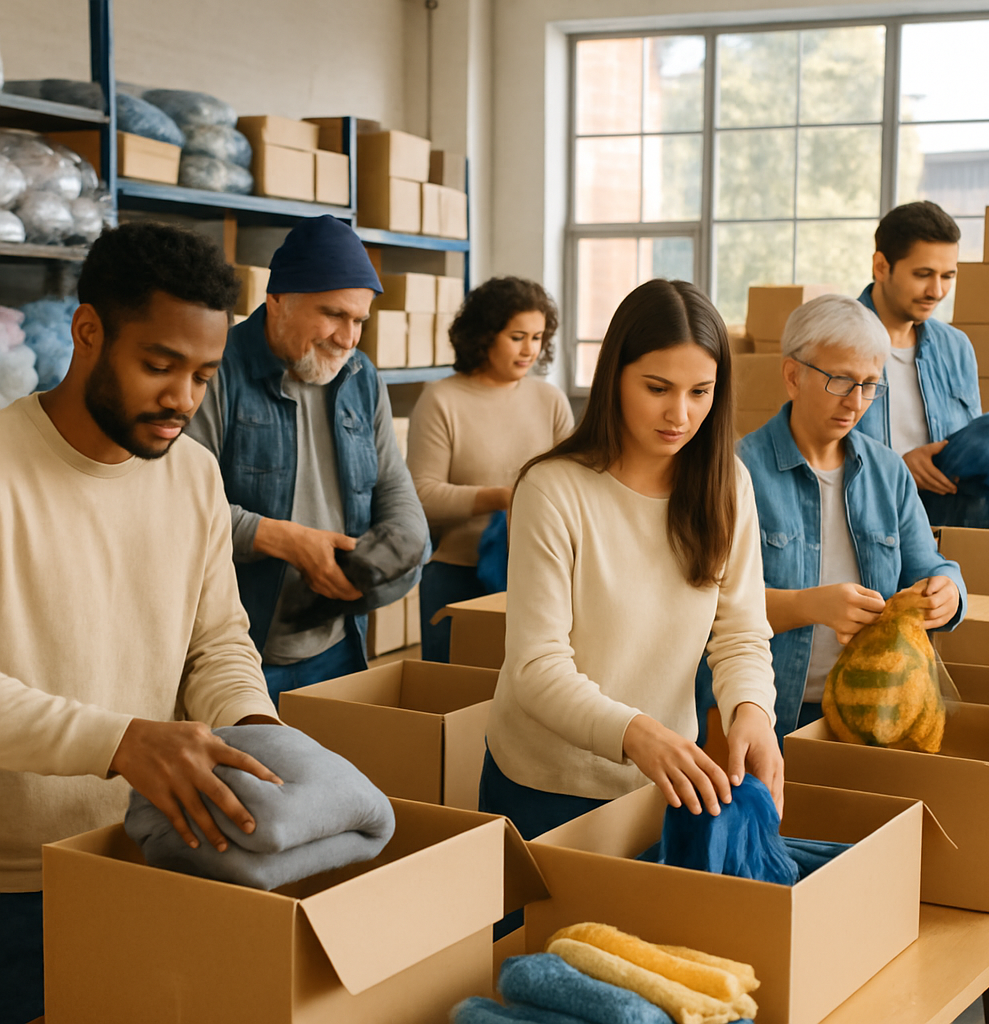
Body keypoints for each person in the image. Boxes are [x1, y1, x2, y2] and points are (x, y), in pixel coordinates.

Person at [0, 222, 284, 1024]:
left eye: (202, 374)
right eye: (159, 366)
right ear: (88, 332)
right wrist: (122, 740)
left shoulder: (191, 474)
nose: (182, 401)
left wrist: (254, 729)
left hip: (148, 853)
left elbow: (217, 639)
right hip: (15, 882)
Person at [481, 278, 782, 843]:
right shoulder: (552, 489)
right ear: (614, 375)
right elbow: (535, 666)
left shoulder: (728, 485)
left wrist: (753, 711)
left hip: (661, 781)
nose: (680, 414)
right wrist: (637, 733)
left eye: (701, 392)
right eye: (657, 387)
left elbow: (740, 631)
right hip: (544, 785)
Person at [187, 216, 430, 705]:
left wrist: (399, 543)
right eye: (334, 314)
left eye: (360, 320)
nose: (348, 338)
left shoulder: (361, 377)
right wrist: (285, 540)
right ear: (277, 300)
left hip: (338, 646)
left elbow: (396, 489)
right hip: (239, 654)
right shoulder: (216, 372)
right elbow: (184, 512)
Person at [738, 294, 966, 741]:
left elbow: (930, 565)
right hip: (770, 716)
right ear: (793, 375)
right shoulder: (739, 471)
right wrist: (809, 605)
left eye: (870, 384)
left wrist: (949, 591)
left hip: (876, 716)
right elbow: (709, 609)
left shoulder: (887, 471)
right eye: (841, 381)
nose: (857, 402)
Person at [407, 277, 574, 662]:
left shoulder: (550, 400)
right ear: (484, 336)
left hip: (535, 576)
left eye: (538, 337)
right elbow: (421, 494)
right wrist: (503, 497)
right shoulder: (441, 400)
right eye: (517, 337)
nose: (530, 349)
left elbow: (573, 483)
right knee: (452, 701)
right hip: (456, 575)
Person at [857, 200, 989, 529]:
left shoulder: (955, 346)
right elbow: (815, 451)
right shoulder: (838, 341)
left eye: (948, 276)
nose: (937, 291)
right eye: (923, 275)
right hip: (876, 507)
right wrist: (900, 468)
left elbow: (978, 453)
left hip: (948, 511)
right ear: (881, 267)